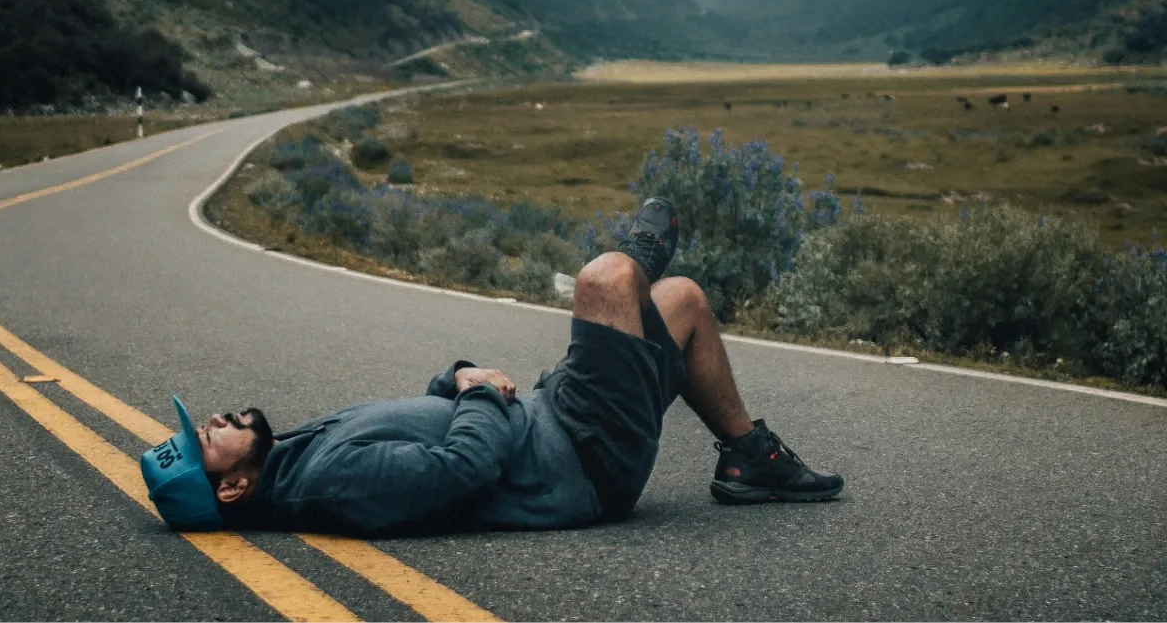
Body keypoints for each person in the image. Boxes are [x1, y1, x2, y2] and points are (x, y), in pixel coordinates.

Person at [141, 198, 844, 534]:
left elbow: (426, 422)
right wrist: (479, 393)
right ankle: (638, 253)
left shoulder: (296, 455)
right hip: (583, 457)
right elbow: (460, 468)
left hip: (554, 414)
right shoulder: (328, 483)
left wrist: (457, 377)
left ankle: (751, 458)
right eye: (206, 438)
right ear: (232, 487)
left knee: (682, 302)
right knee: (604, 279)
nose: (215, 419)